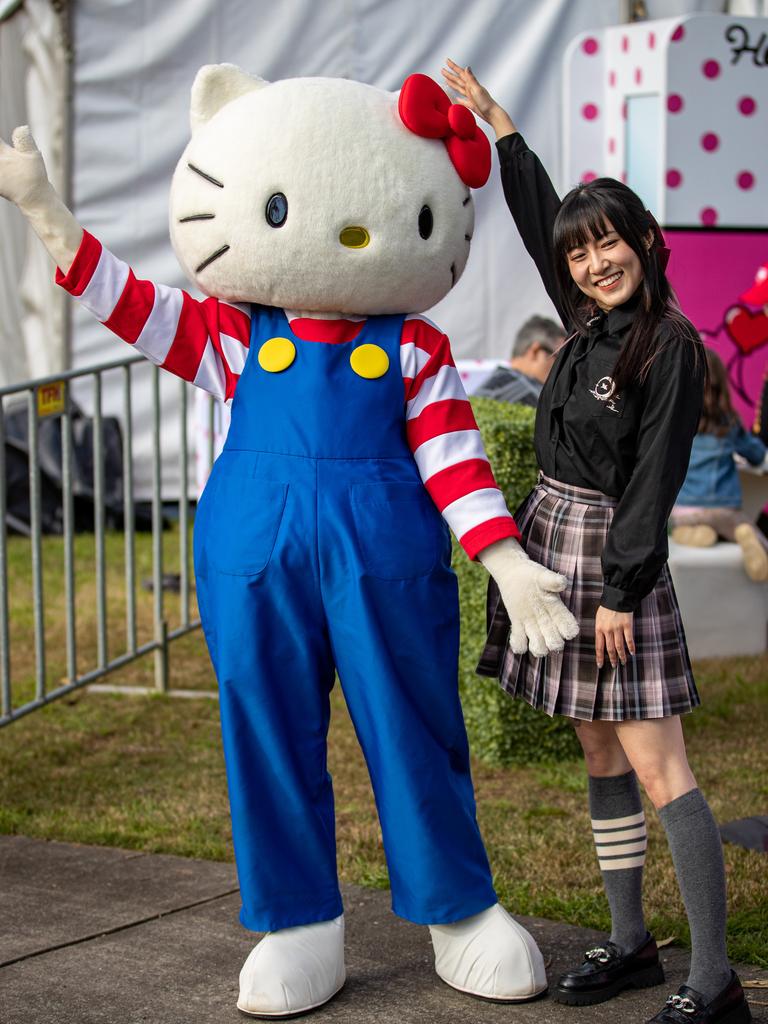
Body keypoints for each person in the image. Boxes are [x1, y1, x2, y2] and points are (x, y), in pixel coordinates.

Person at [441, 59, 752, 1024]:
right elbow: (541, 220)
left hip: (618, 562)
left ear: (645, 244)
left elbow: (655, 481)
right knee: (599, 753)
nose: (591, 262)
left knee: (662, 766)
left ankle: (715, 979)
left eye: (608, 244)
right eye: (580, 254)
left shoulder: (670, 342)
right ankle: (630, 945)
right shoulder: (583, 313)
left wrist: (623, 590)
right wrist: (500, 128)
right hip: (554, 543)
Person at [671, 347, 768, 581]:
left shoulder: (676, 420)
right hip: (725, 509)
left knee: (676, 526)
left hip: (685, 509)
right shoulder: (729, 423)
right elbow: (758, 455)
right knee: (750, 532)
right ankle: (742, 534)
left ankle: (693, 532)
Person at [474, 314, 565, 406]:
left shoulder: (489, 387)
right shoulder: (537, 398)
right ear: (535, 352)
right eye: (561, 358)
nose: (564, 368)